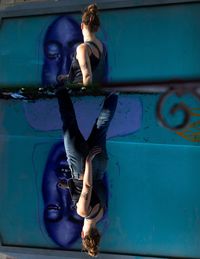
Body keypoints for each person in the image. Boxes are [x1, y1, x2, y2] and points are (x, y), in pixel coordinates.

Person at [56, 87, 118, 257]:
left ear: (97, 233)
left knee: (102, 126)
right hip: (83, 167)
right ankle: (60, 88)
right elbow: (87, 186)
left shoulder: (102, 213)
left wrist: (68, 186)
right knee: (69, 124)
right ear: (82, 234)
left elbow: (95, 189)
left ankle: (115, 93)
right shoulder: (83, 212)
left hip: (99, 166)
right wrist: (88, 162)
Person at [58, 4, 107, 87]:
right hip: (97, 92)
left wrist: (86, 97)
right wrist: (67, 77)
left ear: (82, 26)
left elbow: (87, 76)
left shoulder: (83, 48)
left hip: (79, 95)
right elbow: (93, 70)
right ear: (97, 28)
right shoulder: (102, 47)